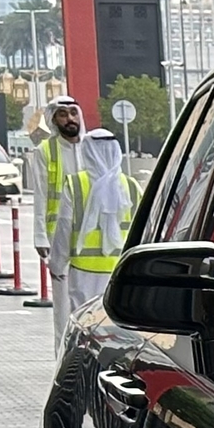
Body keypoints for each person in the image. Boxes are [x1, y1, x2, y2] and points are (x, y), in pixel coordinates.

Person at [58, 128, 138, 314]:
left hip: (84, 273)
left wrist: (57, 265)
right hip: (121, 271)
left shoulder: (75, 184)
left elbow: (64, 229)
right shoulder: (131, 186)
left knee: (85, 325)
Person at [26, 95, 84, 348]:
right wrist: (40, 235)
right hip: (59, 237)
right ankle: (62, 358)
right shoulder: (45, 151)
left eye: (73, 113)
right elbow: (40, 193)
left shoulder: (92, 146)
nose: (70, 119)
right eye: (63, 114)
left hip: (93, 239)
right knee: (62, 306)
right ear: (53, 119)